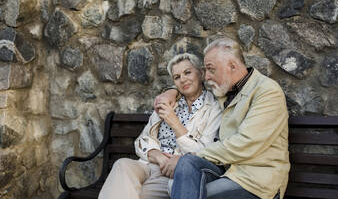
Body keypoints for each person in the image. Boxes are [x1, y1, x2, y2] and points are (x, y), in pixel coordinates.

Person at [155, 38, 290, 199]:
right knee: (187, 164)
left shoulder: (267, 91)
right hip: (227, 172)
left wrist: (197, 155)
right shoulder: (224, 89)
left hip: (256, 182)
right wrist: (171, 91)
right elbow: (191, 86)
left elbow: (245, 144)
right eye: (206, 70)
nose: (207, 77)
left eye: (211, 70)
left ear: (232, 66)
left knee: (184, 186)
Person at [98, 53, 222, 199]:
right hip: (150, 163)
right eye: (177, 77)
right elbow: (141, 141)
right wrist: (157, 156)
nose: (182, 79)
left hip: (175, 171)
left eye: (187, 72)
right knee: (122, 165)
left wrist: (174, 122)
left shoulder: (214, 108)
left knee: (142, 194)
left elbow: (203, 152)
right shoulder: (168, 102)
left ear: (201, 73)